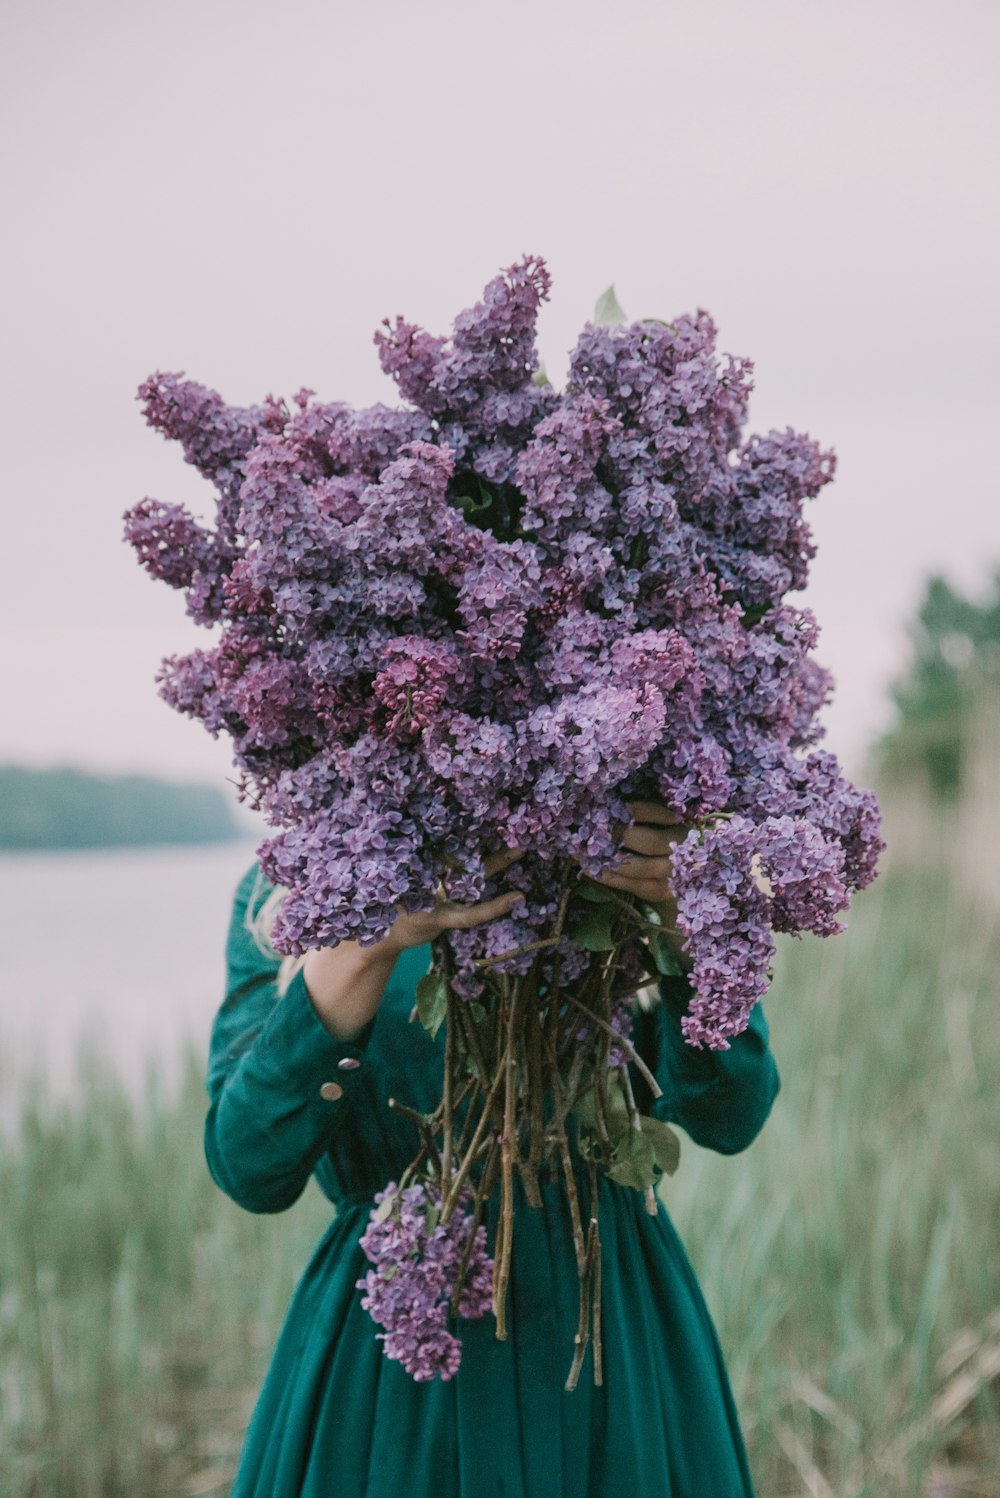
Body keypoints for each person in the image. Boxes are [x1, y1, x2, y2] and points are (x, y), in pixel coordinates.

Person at [205, 800, 781, 1497]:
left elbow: (733, 1117)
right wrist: (365, 943)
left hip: (607, 1325)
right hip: (397, 1353)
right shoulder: (292, 882)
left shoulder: (625, 835)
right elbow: (249, 1168)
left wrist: (688, 917)